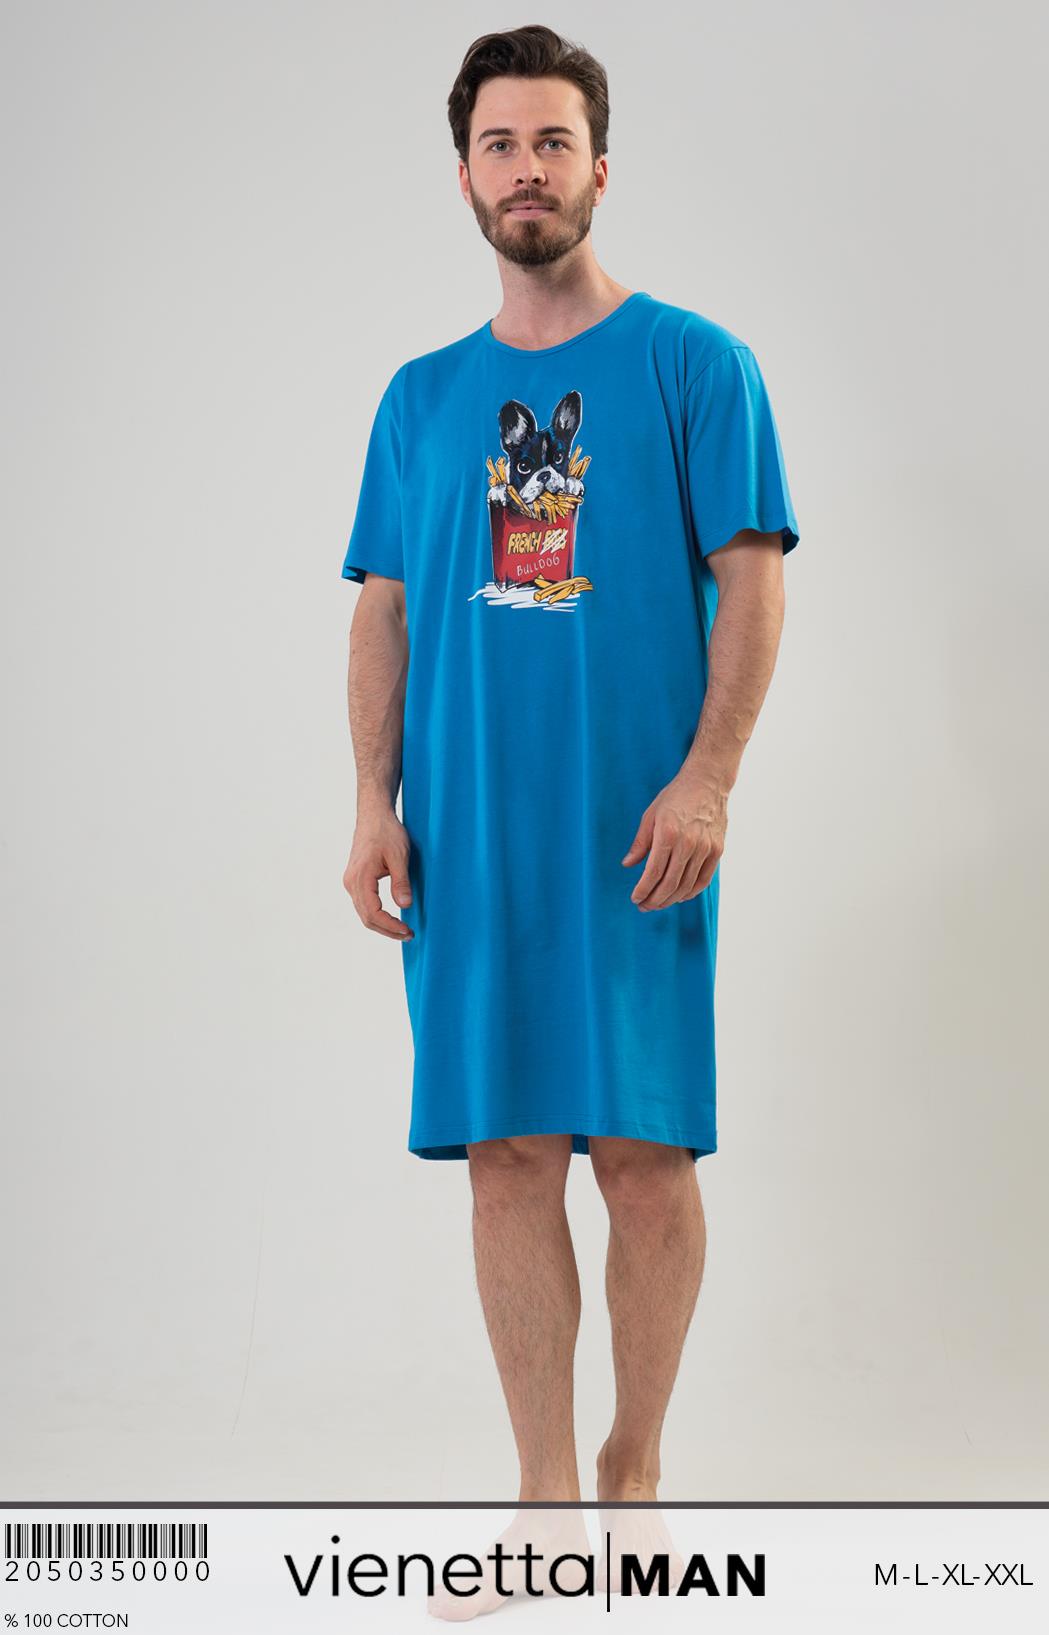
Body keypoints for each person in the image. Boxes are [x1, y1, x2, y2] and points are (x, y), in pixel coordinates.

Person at [341, 23, 800, 1607]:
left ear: (600, 167)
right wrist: (371, 804)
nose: (524, 170)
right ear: (463, 174)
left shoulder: (695, 366)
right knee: (505, 1158)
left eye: (551, 142)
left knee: (645, 1158)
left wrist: (709, 776)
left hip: (636, 838)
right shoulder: (419, 400)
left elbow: (752, 579)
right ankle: (542, 1504)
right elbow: (385, 609)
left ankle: (635, 1473)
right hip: (468, 846)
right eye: (498, 144)